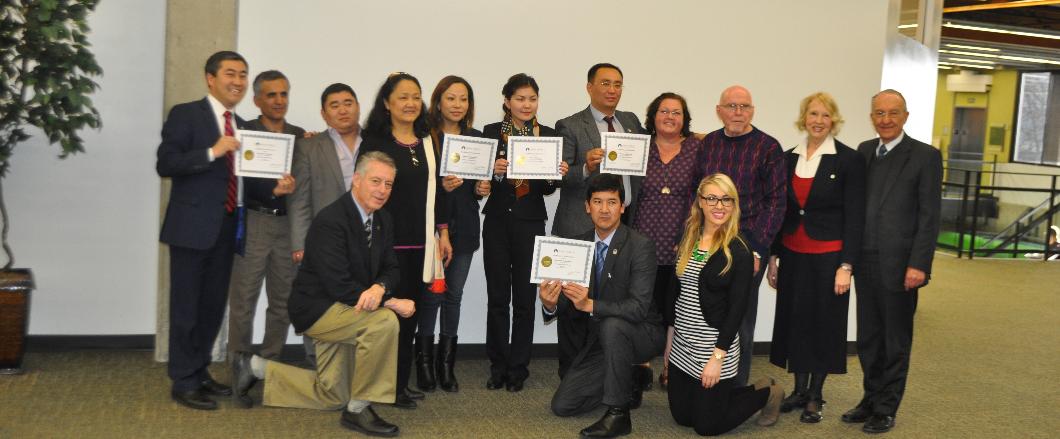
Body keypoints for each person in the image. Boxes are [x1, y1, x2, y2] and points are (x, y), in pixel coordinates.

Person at [231, 152, 414, 437]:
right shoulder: (331, 219)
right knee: (384, 322)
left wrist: (380, 287)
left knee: (332, 395)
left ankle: (253, 367)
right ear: (356, 180)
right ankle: (359, 410)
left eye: (389, 184)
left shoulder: (383, 219)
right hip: (319, 308)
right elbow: (338, 285)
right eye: (376, 181)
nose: (382, 190)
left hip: (348, 308)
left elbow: (392, 268)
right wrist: (389, 301)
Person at [841, 89, 941, 434]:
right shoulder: (865, 152)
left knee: (895, 339)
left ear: (906, 116)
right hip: (865, 262)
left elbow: (930, 216)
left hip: (901, 265)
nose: (885, 119)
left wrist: (920, 264)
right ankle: (870, 399)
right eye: (879, 113)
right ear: (872, 117)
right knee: (868, 337)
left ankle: (886, 407)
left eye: (893, 113)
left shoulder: (925, 157)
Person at [765, 92, 866, 423]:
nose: (818, 120)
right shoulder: (787, 158)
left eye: (825, 115)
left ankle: (816, 396)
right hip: (793, 254)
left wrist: (846, 265)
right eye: (812, 114)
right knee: (796, 321)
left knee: (823, 324)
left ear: (833, 120)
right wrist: (773, 258)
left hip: (829, 257)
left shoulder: (848, 160)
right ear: (803, 118)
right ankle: (799, 390)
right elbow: (780, 211)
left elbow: (855, 216)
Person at [156, 50, 248, 410]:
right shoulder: (186, 114)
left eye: (242, 74)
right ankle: (183, 380)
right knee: (186, 307)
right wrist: (212, 151)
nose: (237, 81)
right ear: (210, 78)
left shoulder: (242, 124)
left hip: (227, 228)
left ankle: (199, 369)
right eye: (230, 73)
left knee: (211, 307)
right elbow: (166, 163)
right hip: (191, 228)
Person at [541, 174, 664, 438]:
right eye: (597, 202)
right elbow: (565, 303)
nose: (604, 209)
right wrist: (549, 304)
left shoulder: (641, 246)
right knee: (563, 405)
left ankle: (618, 414)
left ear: (622, 206)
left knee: (613, 323)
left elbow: (638, 309)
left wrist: (590, 304)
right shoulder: (575, 246)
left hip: (642, 333)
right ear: (587, 206)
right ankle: (629, 378)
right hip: (602, 340)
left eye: (612, 202)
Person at [361, 72, 455, 409]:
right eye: (402, 96)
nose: (410, 103)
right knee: (384, 321)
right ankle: (380, 386)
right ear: (387, 103)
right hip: (385, 247)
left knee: (409, 317)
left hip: (421, 245)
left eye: (415, 96)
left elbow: (437, 190)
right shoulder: (375, 142)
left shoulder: (428, 139)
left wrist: (442, 234)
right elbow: (364, 194)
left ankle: (398, 384)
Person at [666, 173, 784, 436]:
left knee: (706, 427)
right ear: (700, 202)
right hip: (683, 346)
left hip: (715, 347)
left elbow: (737, 310)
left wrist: (717, 358)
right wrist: (669, 344)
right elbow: (676, 295)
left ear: (734, 205)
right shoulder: (689, 237)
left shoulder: (739, 250)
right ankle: (722, 396)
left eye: (726, 200)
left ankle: (768, 391)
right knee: (683, 417)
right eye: (712, 198)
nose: (719, 206)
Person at [552, 63, 646, 382]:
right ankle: (571, 374)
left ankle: (612, 371)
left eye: (618, 84)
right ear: (589, 86)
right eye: (605, 83)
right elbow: (557, 175)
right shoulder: (569, 125)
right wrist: (585, 168)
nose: (612, 90)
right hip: (580, 227)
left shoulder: (631, 122)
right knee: (573, 305)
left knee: (613, 301)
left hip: (623, 225)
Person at [481, 73, 568, 392]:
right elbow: (481, 184)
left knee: (524, 299)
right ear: (506, 101)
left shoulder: (547, 135)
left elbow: (547, 189)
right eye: (519, 98)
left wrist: (557, 175)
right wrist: (493, 171)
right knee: (497, 297)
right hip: (496, 223)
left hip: (530, 221)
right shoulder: (491, 134)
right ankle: (497, 365)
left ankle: (518, 367)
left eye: (532, 98)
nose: (526, 104)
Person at [696, 85, 787, 386]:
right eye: (731, 106)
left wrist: (758, 250)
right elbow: (696, 195)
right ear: (719, 110)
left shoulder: (768, 147)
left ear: (752, 111)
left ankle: (736, 385)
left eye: (744, 107)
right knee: (705, 310)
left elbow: (776, 203)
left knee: (741, 318)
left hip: (748, 246)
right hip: (708, 243)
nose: (738, 112)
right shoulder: (708, 144)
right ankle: (704, 374)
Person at [415, 75, 490, 393]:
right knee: (432, 295)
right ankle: (425, 364)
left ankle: (447, 365)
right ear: (438, 101)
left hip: (467, 227)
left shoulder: (475, 138)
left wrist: (481, 188)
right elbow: (416, 185)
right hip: (433, 229)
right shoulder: (425, 137)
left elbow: (476, 188)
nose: (458, 105)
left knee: (454, 296)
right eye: (451, 98)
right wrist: (440, 188)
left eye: (463, 99)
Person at [226, 70, 303, 364]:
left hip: (288, 225)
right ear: (257, 100)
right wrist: (274, 190)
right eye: (271, 95)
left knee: (282, 302)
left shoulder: (299, 136)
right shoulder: (245, 131)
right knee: (244, 300)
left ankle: (267, 365)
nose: (279, 100)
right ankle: (239, 367)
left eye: (284, 94)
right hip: (255, 222)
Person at [288, 82, 364, 367]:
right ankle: (315, 362)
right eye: (335, 105)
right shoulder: (309, 146)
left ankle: (354, 364)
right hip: (322, 240)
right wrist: (299, 243)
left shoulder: (375, 142)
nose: (343, 110)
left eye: (348, 102)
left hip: (364, 239)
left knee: (358, 300)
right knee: (318, 299)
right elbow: (299, 200)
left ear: (358, 106)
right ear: (323, 113)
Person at [631, 92, 703, 390]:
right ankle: (643, 364)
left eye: (676, 112)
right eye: (663, 111)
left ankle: (671, 366)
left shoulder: (699, 148)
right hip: (642, 239)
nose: (670, 117)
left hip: (682, 239)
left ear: (685, 118)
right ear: (653, 116)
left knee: (677, 306)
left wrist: (693, 236)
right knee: (642, 304)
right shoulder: (638, 147)